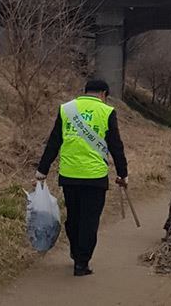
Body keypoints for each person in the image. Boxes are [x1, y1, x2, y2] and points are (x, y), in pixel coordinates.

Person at [35, 80, 128, 276]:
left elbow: (53, 142)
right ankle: (81, 262)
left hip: (69, 175)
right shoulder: (107, 112)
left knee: (74, 217)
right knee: (89, 220)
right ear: (103, 94)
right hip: (95, 177)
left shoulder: (66, 109)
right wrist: (122, 173)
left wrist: (42, 170)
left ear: (85, 91)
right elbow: (116, 146)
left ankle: (76, 251)